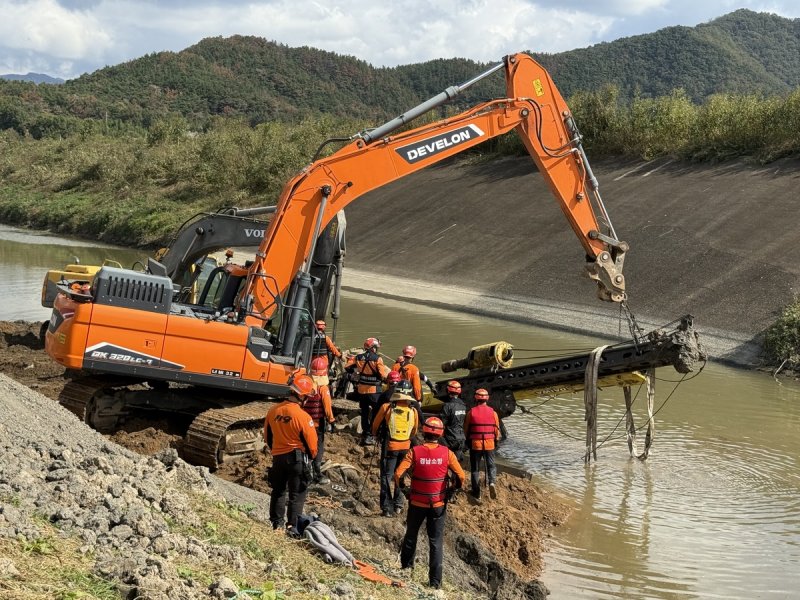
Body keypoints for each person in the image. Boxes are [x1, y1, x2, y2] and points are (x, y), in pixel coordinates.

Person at [395, 416, 465, 589]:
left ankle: (406, 568)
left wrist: (404, 488)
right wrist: (453, 489)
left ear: (424, 432)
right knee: (435, 542)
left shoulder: (415, 451)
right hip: (438, 505)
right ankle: (435, 583)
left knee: (411, 535)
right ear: (440, 434)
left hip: (417, 503)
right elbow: (461, 476)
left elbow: (398, 474)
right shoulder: (447, 453)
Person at [263, 373, 319, 531]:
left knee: (278, 491)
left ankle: (277, 524)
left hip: (278, 457)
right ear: (303, 397)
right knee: (297, 494)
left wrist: (277, 450)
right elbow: (312, 446)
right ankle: (292, 526)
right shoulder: (303, 417)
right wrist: (311, 458)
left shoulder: (273, 411)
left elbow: (267, 437)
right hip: (297, 460)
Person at [371, 390, 419, 517]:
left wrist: (375, 435)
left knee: (386, 476)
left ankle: (387, 507)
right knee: (400, 474)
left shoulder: (386, 407)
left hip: (390, 446)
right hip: (406, 446)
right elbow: (414, 430)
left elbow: (375, 425)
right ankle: (398, 504)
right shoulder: (413, 410)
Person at [345, 337, 390, 445]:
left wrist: (356, 372)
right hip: (374, 391)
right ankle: (373, 433)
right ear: (373, 347)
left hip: (362, 391)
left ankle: (366, 433)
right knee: (376, 412)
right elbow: (383, 375)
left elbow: (347, 367)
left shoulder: (358, 357)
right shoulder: (377, 359)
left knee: (364, 413)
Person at [463, 388, 500, 502]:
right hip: (489, 444)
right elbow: (496, 431)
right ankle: (492, 482)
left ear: (476, 398)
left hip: (476, 444)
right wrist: (496, 441)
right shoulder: (493, 413)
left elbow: (466, 429)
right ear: (487, 398)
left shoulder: (471, 412)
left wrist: (467, 441)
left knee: (475, 469)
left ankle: (476, 493)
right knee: (491, 465)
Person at [304, 356, 336, 485]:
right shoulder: (323, 388)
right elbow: (327, 406)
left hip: (304, 423)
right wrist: (331, 420)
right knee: (318, 448)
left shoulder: (305, 384)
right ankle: (316, 473)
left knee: (304, 446)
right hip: (317, 423)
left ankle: (304, 471)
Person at [439, 380, 467, 462]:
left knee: (446, 461)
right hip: (461, 438)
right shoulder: (463, 405)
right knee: (457, 463)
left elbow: (442, 424)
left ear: (448, 391)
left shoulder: (447, 406)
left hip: (450, 439)